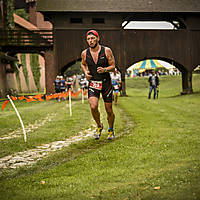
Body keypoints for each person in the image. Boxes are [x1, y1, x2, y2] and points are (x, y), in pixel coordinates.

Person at [81, 29, 116, 140]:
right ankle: (99, 126)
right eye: (88, 39)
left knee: (109, 110)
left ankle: (110, 130)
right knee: (93, 106)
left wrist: (105, 69)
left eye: (92, 38)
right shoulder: (84, 53)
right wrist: (86, 72)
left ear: (98, 39)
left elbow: (113, 66)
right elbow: (83, 64)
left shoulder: (106, 51)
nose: (90, 41)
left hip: (106, 83)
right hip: (93, 83)